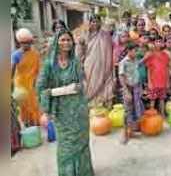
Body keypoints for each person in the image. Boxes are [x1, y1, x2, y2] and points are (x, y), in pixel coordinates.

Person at [37, 29, 94, 176]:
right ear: (57, 42)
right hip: (61, 111)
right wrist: (63, 91)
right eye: (62, 40)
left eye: (68, 40)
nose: (66, 43)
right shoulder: (49, 64)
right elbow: (41, 88)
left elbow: (81, 84)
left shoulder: (75, 62)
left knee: (82, 142)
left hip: (79, 109)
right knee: (66, 145)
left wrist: (79, 87)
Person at [76, 15, 114, 108]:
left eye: (97, 21)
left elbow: (109, 50)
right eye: (93, 21)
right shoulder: (85, 35)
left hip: (103, 63)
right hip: (89, 63)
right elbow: (79, 52)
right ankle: (90, 105)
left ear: (100, 22)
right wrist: (80, 45)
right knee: (90, 83)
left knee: (103, 83)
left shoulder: (105, 35)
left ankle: (101, 105)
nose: (95, 23)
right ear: (90, 23)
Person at [12, 28, 41, 126]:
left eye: (28, 42)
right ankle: (28, 126)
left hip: (32, 85)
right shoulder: (16, 55)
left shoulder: (35, 54)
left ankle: (35, 126)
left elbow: (38, 71)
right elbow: (11, 72)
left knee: (34, 107)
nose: (26, 45)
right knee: (24, 109)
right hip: (21, 86)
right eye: (24, 43)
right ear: (19, 43)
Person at [119, 43, 145, 144]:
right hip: (128, 88)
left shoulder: (135, 61)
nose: (136, 52)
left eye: (136, 50)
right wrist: (126, 91)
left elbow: (137, 73)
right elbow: (121, 77)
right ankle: (124, 133)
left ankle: (131, 131)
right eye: (134, 50)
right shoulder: (124, 62)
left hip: (136, 88)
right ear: (129, 51)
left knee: (134, 110)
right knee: (127, 111)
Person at [143, 36, 170, 116]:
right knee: (152, 99)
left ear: (163, 44)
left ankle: (162, 115)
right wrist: (150, 82)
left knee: (162, 99)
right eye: (157, 41)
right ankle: (151, 115)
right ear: (154, 43)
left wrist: (168, 81)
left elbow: (167, 68)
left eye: (160, 42)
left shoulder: (165, 55)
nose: (159, 43)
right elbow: (148, 69)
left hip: (163, 81)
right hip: (153, 81)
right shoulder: (150, 55)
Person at [113, 30, 130, 103]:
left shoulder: (130, 47)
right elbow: (114, 63)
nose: (125, 38)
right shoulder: (116, 48)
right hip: (119, 70)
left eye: (127, 36)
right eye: (123, 36)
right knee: (121, 88)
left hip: (130, 70)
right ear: (119, 38)